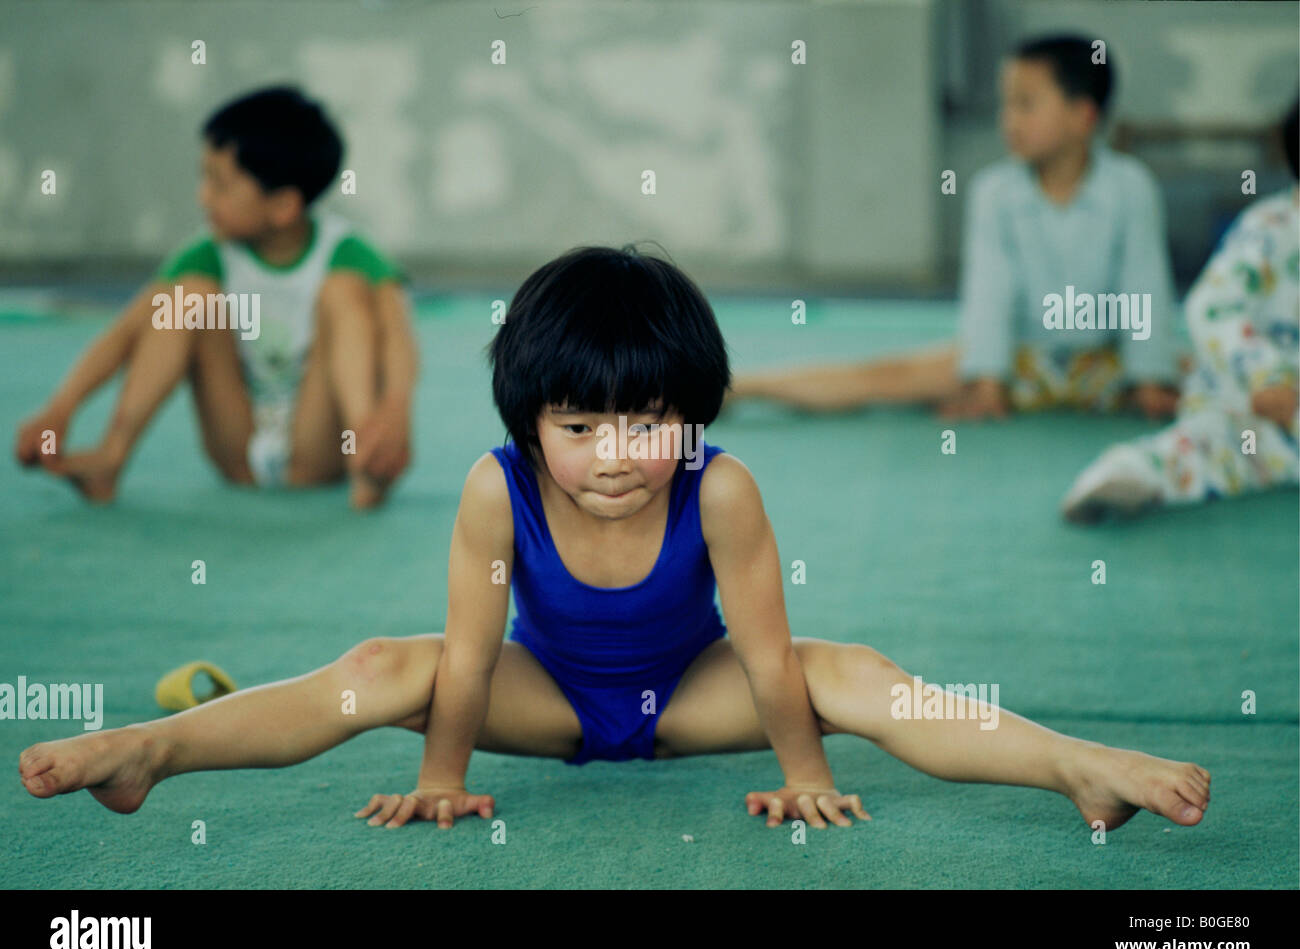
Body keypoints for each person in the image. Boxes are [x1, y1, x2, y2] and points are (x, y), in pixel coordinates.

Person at [19, 246, 1210, 834]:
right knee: (387, 662)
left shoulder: (721, 487)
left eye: (647, 420)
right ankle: (154, 749)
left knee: (856, 671)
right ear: (527, 424)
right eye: (579, 424)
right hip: (545, 697)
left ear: (690, 414)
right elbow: (474, 663)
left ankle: (1070, 762)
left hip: (690, 697)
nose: (614, 452)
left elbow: (766, 651)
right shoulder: (498, 493)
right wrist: (442, 779)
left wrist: (803, 771)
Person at [728, 35, 1182, 422]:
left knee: (1216, 372)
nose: (1009, 121)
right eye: (1006, 104)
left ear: (1083, 117)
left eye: (1026, 105)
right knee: (886, 376)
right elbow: (989, 289)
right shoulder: (995, 192)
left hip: (1108, 362)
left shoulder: (1131, 187)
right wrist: (986, 378)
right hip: (1016, 359)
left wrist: (1149, 376)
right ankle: (740, 389)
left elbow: (1144, 284)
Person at [13, 86, 417, 508]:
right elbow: (123, 335)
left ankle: (367, 465)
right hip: (237, 452)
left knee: (345, 292)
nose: (202, 196)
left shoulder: (349, 254)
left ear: (282, 206)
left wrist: (394, 410)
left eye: (219, 184)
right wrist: (59, 411)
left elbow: (397, 337)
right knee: (188, 298)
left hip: (322, 450)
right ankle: (110, 459)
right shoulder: (208, 255)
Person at [1062, 99, 1299, 521]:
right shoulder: (1269, 232)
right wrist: (1266, 375)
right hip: (1251, 414)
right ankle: (1126, 477)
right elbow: (1212, 309)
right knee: (1200, 449)